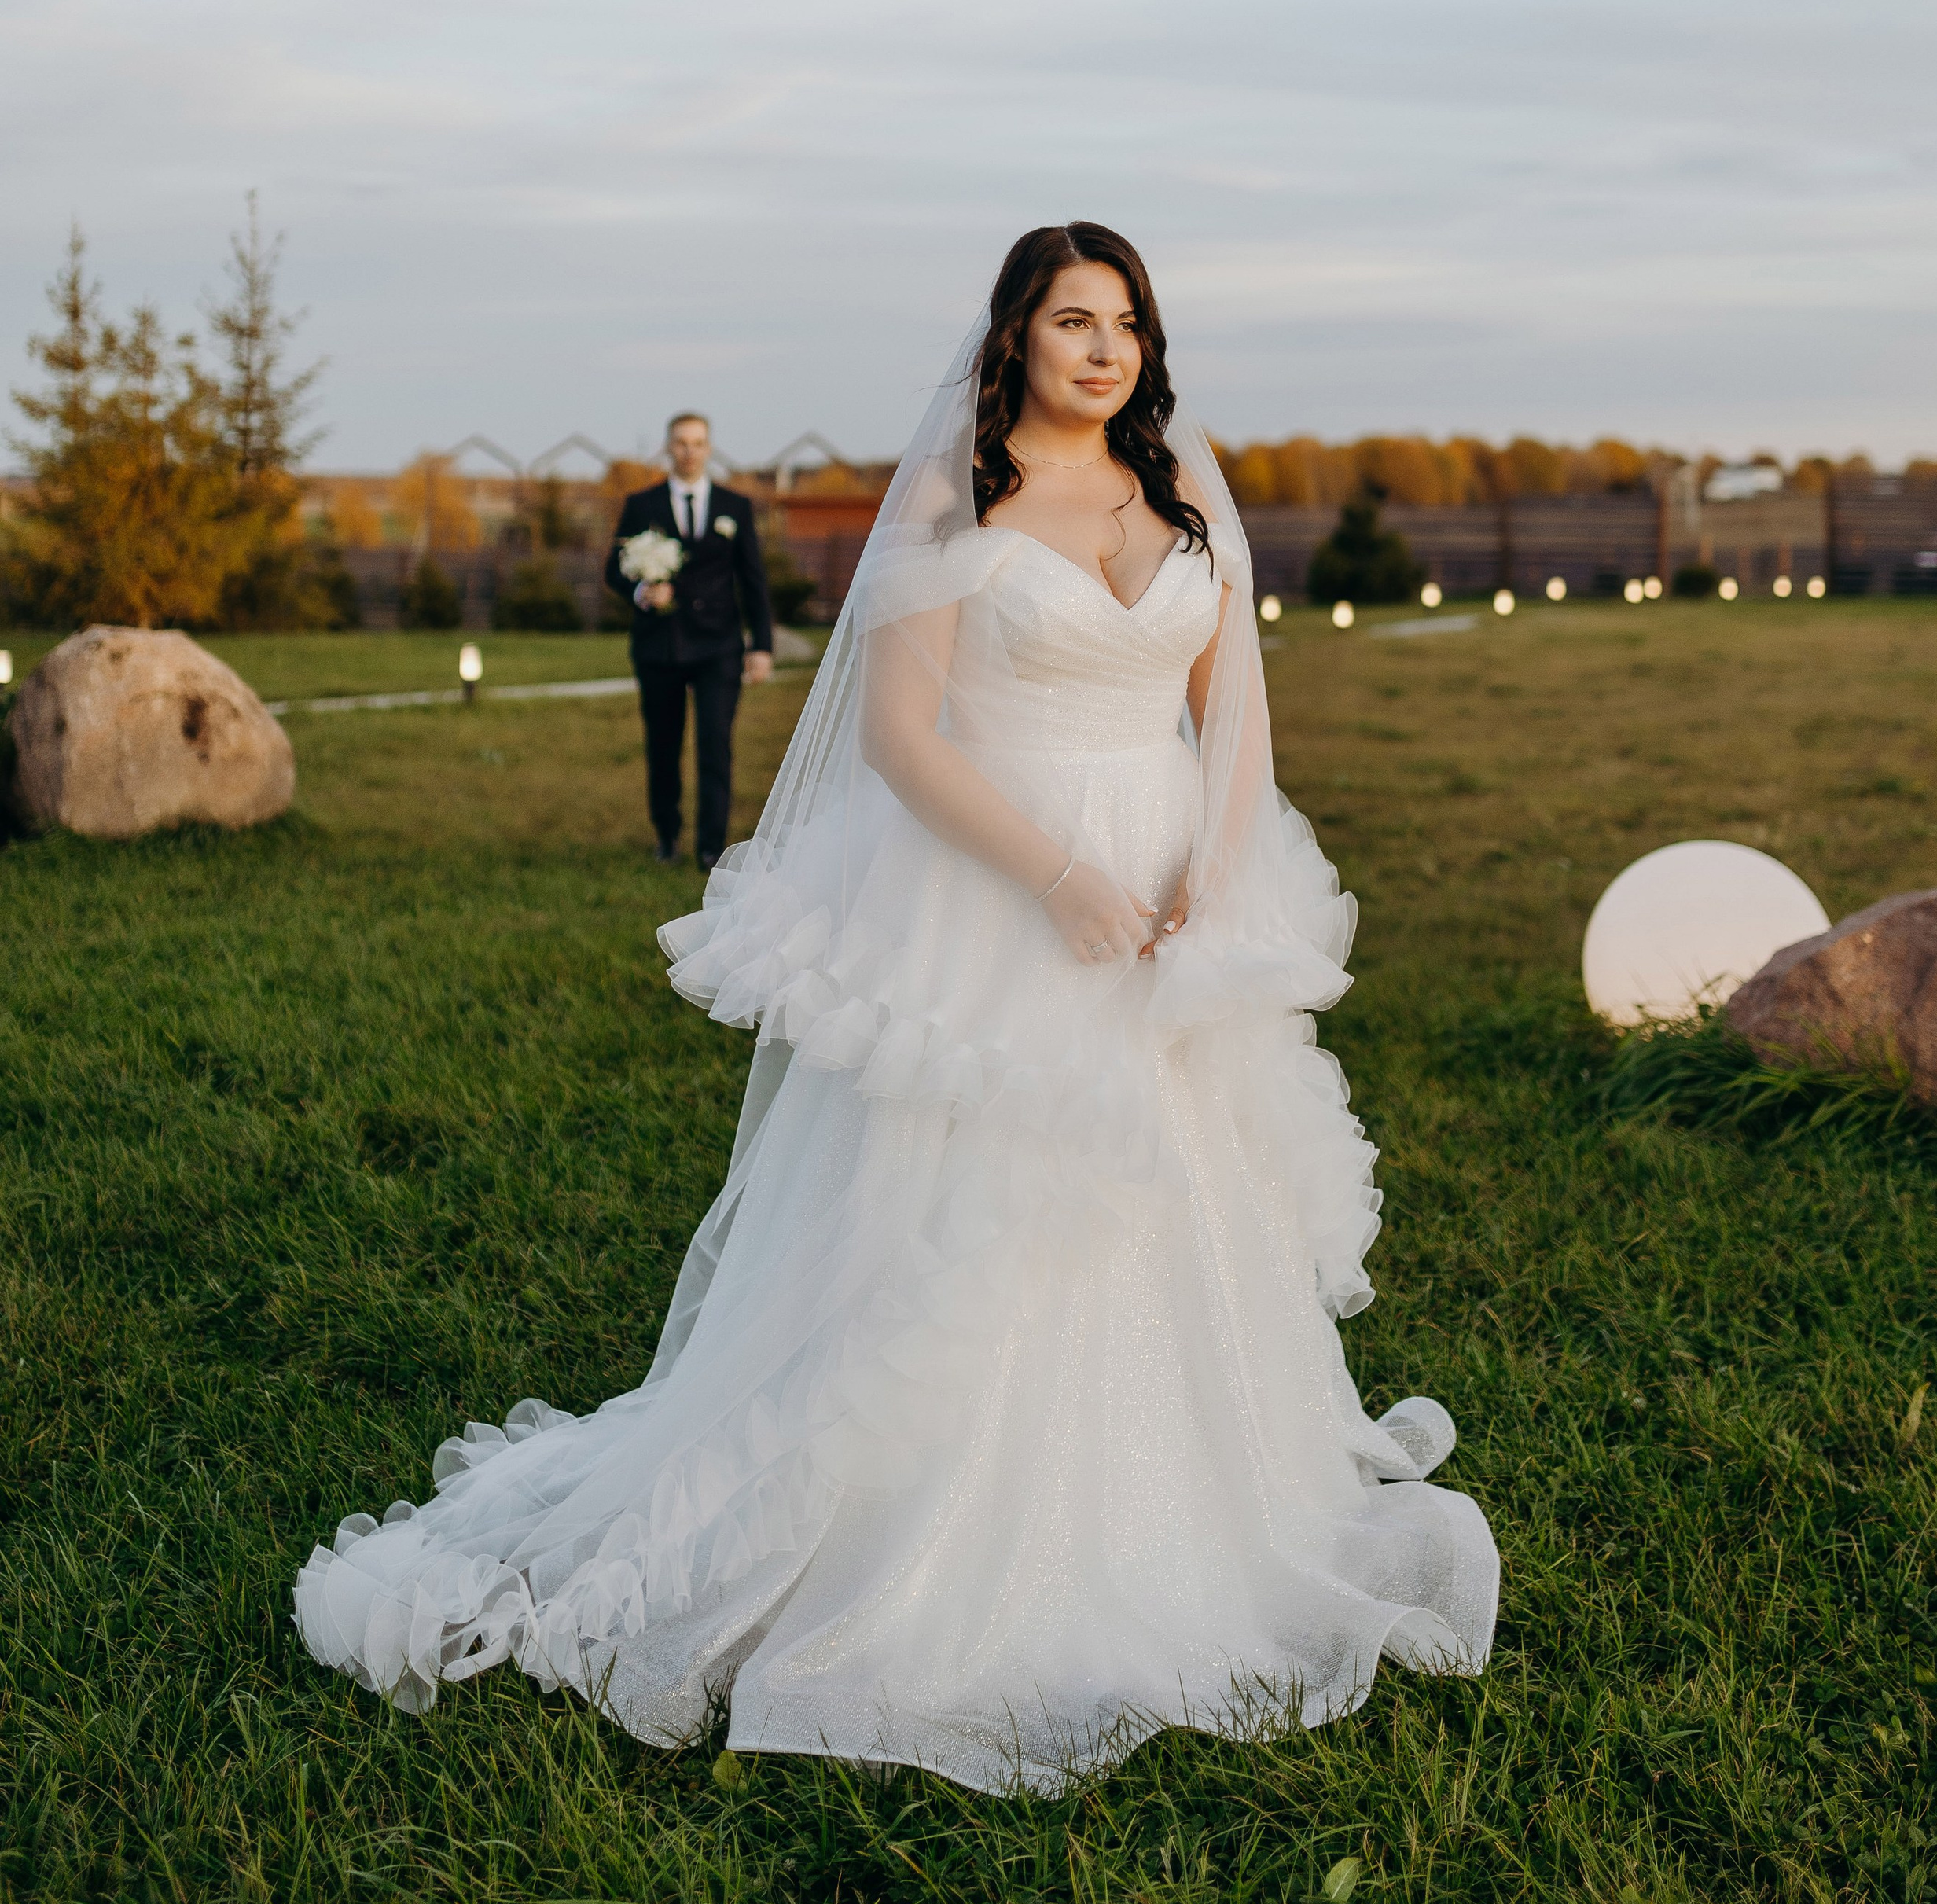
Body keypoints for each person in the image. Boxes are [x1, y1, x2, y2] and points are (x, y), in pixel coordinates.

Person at [296, 223, 1497, 1792]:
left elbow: (1235, 717)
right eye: (1072, 320)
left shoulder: (1182, 498)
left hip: (1166, 898)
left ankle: (1185, 1503)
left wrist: (1218, 863)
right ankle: (921, 1541)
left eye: (1123, 323)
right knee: (976, 1204)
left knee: (1177, 1187)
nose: (1101, 349)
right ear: (1015, 336)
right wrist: (1061, 876)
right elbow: (902, 742)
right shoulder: (955, 495)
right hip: (997, 891)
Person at [604, 411, 773, 867]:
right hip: (659, 646)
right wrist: (642, 591)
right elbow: (612, 570)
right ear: (668, 448)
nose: (689, 451)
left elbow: (753, 580)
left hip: (719, 646)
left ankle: (711, 847)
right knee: (663, 745)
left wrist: (761, 646)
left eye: (697, 442)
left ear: (709, 448)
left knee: (715, 746)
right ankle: (667, 836)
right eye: (681, 442)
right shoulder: (642, 504)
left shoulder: (735, 507)